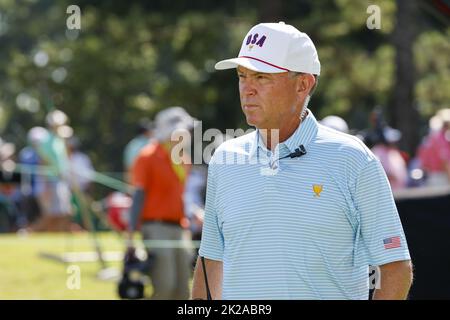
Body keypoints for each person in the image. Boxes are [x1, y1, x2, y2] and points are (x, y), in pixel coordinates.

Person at [192, 22, 413, 300]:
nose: (247, 89)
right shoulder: (224, 160)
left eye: (261, 77)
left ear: (303, 84)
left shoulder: (353, 159)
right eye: (242, 75)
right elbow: (211, 259)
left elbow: (395, 267)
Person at [127, 106, 196, 300]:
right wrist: (131, 234)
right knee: (164, 286)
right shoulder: (146, 156)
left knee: (183, 290)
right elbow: (138, 196)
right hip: (155, 227)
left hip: (180, 228)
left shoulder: (183, 158)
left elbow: (182, 195)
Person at [417, 108, 450, 187]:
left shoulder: (429, 139)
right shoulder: (440, 139)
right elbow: (445, 162)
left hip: (431, 177)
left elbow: (422, 163)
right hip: (441, 177)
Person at [371, 126, 408, 191]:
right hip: (386, 193)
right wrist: (389, 176)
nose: (394, 143)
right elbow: (375, 173)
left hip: (400, 191)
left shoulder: (394, 152)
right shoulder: (377, 152)